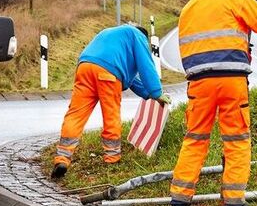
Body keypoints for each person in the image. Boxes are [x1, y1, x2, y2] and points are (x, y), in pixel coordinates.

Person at [169, 0, 257, 206]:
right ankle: (234, 204)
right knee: (237, 141)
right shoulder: (234, 0)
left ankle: (179, 200)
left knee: (195, 139)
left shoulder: (186, 11)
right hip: (232, 81)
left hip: (199, 84)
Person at [52, 23, 171, 179]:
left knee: (75, 114)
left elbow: (130, 79)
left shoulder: (110, 33)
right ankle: (112, 158)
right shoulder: (137, 35)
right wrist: (156, 92)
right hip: (108, 74)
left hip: (85, 67)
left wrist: (148, 94)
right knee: (111, 115)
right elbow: (146, 65)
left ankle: (62, 159)